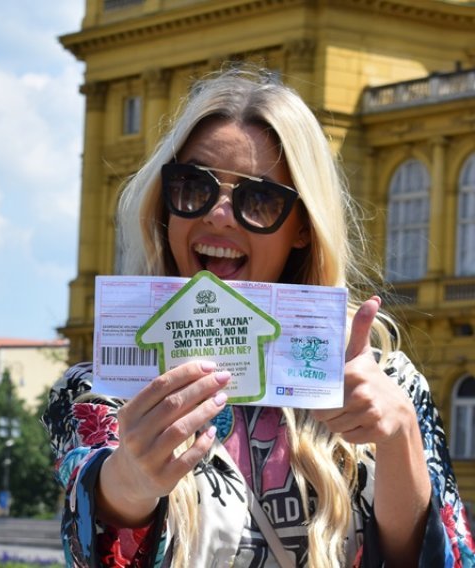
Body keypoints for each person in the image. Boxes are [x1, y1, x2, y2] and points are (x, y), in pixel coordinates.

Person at [42, 68, 475, 567]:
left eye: (260, 199)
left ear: (303, 228)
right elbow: (93, 548)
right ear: (165, 206)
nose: (218, 214)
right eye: (193, 186)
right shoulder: (104, 387)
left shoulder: (386, 384)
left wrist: (401, 437)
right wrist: (128, 482)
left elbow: (433, 558)